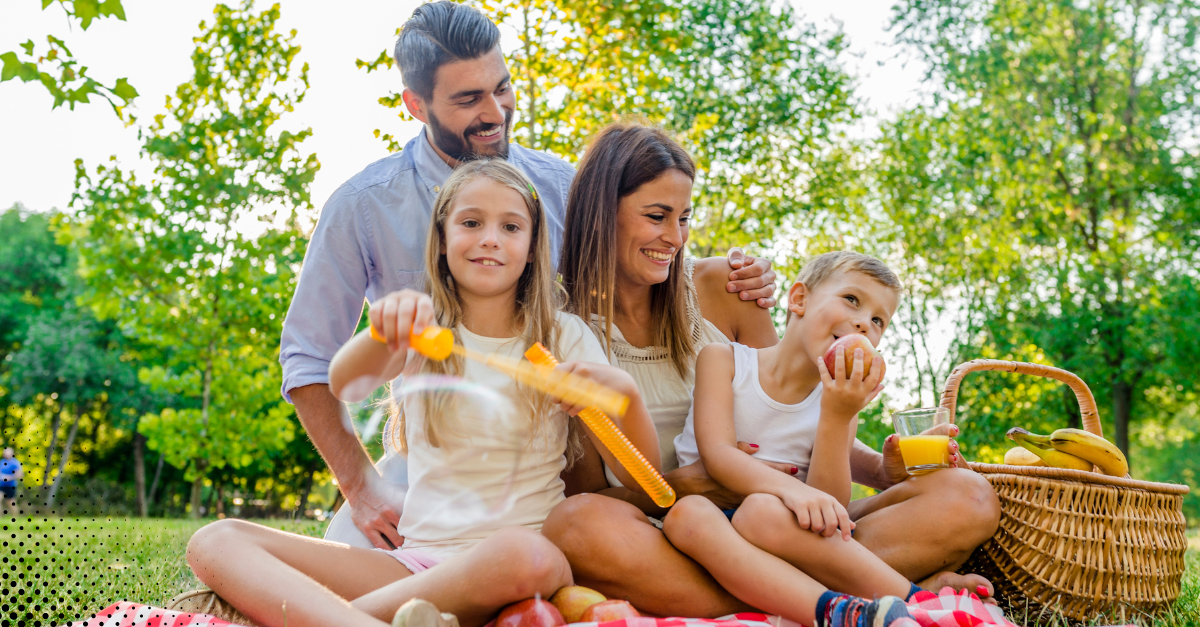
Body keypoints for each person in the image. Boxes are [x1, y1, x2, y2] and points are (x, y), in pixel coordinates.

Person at [278, 0, 776, 551]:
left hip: (557, 454)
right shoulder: (363, 207)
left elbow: (646, 257)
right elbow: (309, 357)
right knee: (350, 547)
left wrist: (730, 272)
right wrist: (361, 486)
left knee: (571, 545)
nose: (495, 111)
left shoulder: (561, 186)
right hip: (438, 456)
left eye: (502, 87)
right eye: (468, 99)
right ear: (416, 104)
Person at [541, 124, 1002, 619]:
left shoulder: (721, 286)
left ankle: (825, 595)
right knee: (576, 526)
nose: (674, 238)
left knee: (969, 496)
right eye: (656, 216)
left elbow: (789, 410)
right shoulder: (559, 330)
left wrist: (878, 469)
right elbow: (585, 491)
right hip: (673, 529)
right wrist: (683, 486)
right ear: (601, 212)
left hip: (790, 522)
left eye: (684, 217)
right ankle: (854, 595)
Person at [185, 160, 662, 627]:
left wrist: (625, 398)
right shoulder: (421, 326)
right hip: (414, 568)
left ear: (534, 246)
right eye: (471, 222)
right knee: (216, 540)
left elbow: (642, 477)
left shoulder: (564, 337)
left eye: (511, 227)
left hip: (525, 564)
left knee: (525, 554)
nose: (490, 238)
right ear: (442, 241)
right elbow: (347, 383)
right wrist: (382, 334)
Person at [662, 251, 989, 626]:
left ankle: (886, 604)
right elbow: (717, 456)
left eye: (878, 320)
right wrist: (794, 491)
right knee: (691, 514)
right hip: (714, 525)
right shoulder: (724, 360)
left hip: (786, 532)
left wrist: (838, 414)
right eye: (852, 300)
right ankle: (910, 595)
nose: (864, 323)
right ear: (799, 299)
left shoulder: (840, 395)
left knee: (764, 514)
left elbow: (831, 505)